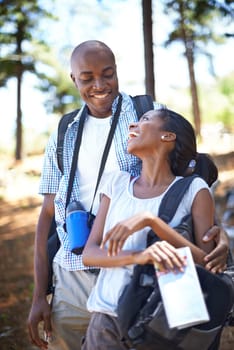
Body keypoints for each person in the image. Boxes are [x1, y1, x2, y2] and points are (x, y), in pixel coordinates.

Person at [27, 40, 229, 350]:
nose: (99, 85)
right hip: (75, 268)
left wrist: (220, 237)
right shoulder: (64, 131)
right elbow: (47, 214)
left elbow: (187, 176)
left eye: (108, 74)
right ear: (73, 79)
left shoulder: (146, 115)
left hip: (143, 273)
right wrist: (40, 293)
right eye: (87, 77)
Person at [81, 108, 228, 350]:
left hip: (158, 325)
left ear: (167, 137)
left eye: (145, 120)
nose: (133, 126)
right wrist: (139, 257)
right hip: (106, 320)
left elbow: (209, 266)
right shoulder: (115, 183)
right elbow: (90, 254)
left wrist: (152, 221)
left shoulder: (194, 190)